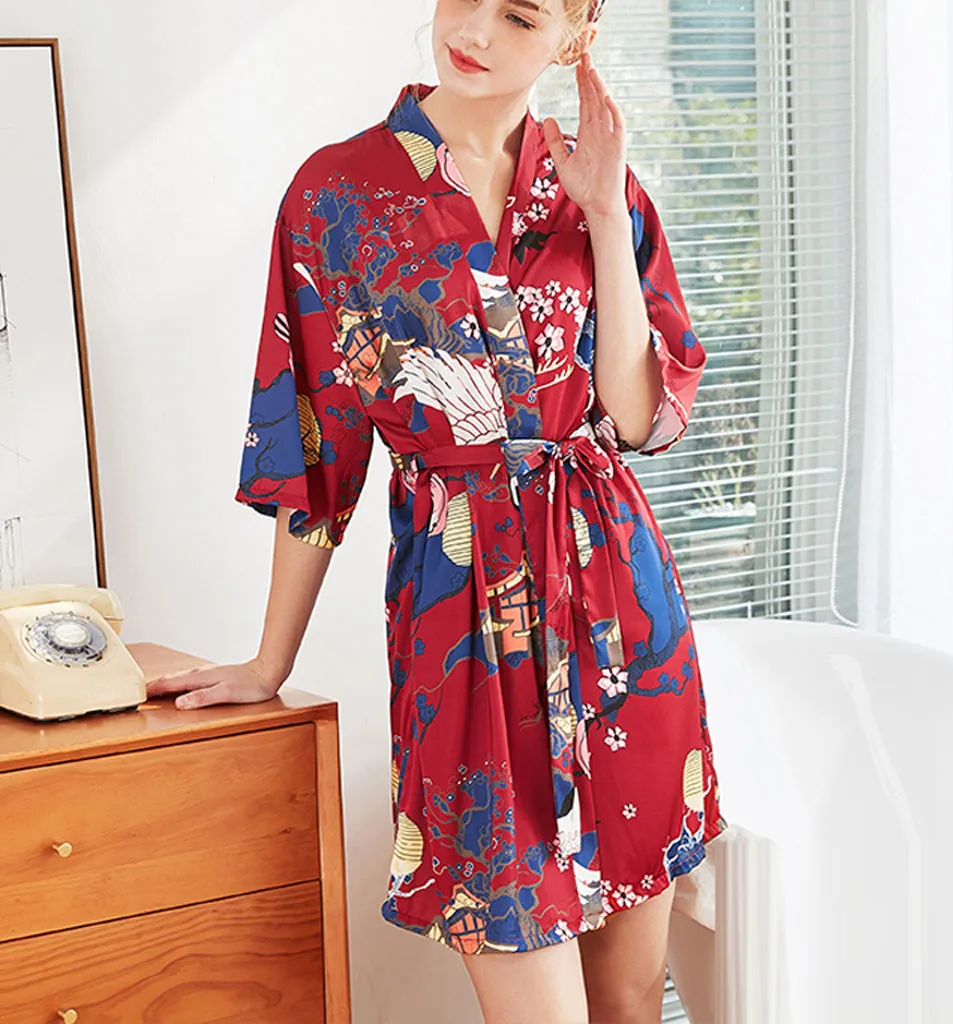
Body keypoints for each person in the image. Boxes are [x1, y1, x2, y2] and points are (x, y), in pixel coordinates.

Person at [148, 0, 728, 1020]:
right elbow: (317, 448)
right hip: (462, 635)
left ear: (574, 36)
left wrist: (601, 213)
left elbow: (639, 417)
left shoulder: (599, 184)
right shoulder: (337, 198)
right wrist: (269, 662)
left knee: (633, 997)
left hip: (620, 621)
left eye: (520, 15)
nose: (476, 30)